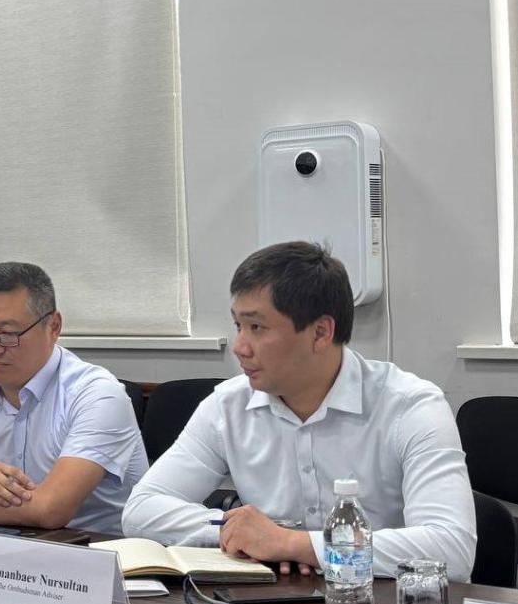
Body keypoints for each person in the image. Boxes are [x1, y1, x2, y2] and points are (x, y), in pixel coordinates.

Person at [122, 241, 476, 581]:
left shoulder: (410, 407)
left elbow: (451, 549)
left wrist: (296, 545)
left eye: (257, 327)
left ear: (320, 332)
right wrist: (240, 533)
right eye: (238, 326)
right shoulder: (227, 407)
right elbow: (141, 509)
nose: (240, 347)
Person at [0, 262, 147, 534]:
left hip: (99, 550)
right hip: (4, 547)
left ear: (53, 326)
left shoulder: (97, 395)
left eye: (8, 335)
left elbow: (49, 510)